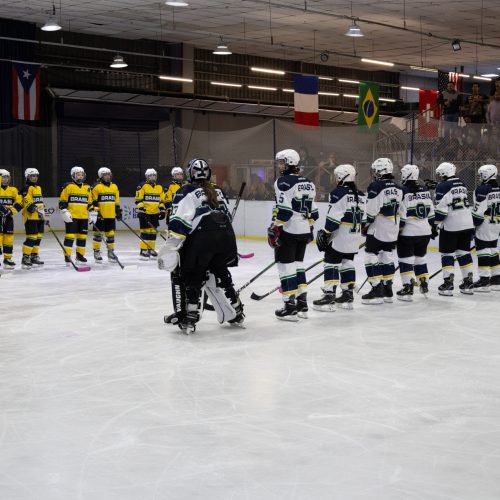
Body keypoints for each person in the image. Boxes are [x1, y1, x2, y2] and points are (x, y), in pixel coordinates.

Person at [158, 158, 244, 334]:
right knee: (221, 273)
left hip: (202, 240)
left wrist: (172, 244)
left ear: (191, 173)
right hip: (226, 238)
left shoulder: (186, 191)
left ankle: (190, 317)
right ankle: (238, 311)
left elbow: (178, 221)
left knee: (193, 276)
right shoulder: (217, 190)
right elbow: (225, 214)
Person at [267, 149, 318, 320]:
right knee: (298, 265)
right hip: (303, 229)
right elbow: (314, 212)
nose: (279, 165)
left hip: (289, 230)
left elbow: (285, 211)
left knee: (286, 267)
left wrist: (275, 228)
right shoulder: (309, 182)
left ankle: (290, 306)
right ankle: (302, 303)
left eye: (281, 162)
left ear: (289, 162)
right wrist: (310, 227)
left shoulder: (282, 182)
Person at [313, 164, 365, 311]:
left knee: (331, 263)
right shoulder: (361, 194)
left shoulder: (338, 192)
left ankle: (329, 295)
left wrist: (326, 232)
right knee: (347, 262)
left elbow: (333, 218)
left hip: (340, 236)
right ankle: (347, 295)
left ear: (342, 177)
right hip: (354, 237)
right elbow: (365, 219)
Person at [361, 158, 403, 305]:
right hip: (393, 227)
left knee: (370, 256)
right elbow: (402, 210)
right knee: (387, 256)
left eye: (375, 170)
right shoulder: (399, 187)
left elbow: (371, 211)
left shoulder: (376, 186)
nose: (374, 173)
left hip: (378, 228)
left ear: (380, 171)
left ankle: (376, 289)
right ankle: (387, 289)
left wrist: (364, 225)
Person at [433, 162, 474, 295]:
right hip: (467, 224)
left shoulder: (442, 186)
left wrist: (433, 224)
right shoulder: (461, 183)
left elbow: (441, 212)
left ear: (445, 173)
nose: (439, 176)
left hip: (451, 226)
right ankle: (468, 283)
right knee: (463, 253)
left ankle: (448, 284)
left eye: (440, 174)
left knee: (447, 254)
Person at [396, 164, 436, 300]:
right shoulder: (425, 189)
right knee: (420, 259)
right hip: (425, 232)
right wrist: (431, 227)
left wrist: (397, 232)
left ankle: (407, 288)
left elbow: (401, 216)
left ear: (406, 175)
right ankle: (424, 283)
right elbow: (431, 213)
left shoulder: (402, 191)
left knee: (405, 260)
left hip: (408, 232)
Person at [471, 164, 500, 291]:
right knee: (493, 248)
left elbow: (478, 211)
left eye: (481, 174)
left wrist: (473, 225)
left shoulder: (482, 189)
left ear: (487, 175)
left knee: (482, 249)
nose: (480, 177)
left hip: (485, 223)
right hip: (497, 223)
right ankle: (496, 278)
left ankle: (484, 280)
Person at [59, 166, 96, 265]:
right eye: (78, 174)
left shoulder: (87, 187)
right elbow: (62, 201)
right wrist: (64, 211)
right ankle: (67, 256)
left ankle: (80, 255)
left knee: (82, 237)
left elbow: (89, 203)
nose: (80, 176)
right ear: (73, 176)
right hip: (72, 217)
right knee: (70, 236)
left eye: (82, 174)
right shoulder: (68, 186)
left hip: (83, 217)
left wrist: (92, 213)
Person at [91, 167, 121, 263]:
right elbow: (93, 201)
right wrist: (97, 212)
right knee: (98, 235)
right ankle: (96, 252)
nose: (108, 176)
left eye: (109, 174)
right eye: (105, 175)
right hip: (100, 216)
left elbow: (116, 201)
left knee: (111, 235)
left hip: (111, 215)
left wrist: (118, 211)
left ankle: (111, 253)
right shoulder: (96, 187)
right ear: (101, 176)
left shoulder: (114, 186)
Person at [135, 168, 165, 260]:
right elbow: (138, 200)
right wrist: (142, 210)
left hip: (155, 214)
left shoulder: (159, 187)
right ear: (147, 177)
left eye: (154, 175)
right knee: (145, 232)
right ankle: (143, 250)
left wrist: (162, 210)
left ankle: (151, 249)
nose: (153, 177)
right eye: (151, 176)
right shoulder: (142, 186)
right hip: (145, 213)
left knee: (153, 232)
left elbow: (161, 201)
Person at [20, 168, 46, 269]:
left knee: (38, 237)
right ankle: (25, 257)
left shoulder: (38, 188)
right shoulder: (26, 188)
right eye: (32, 176)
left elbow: (40, 201)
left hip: (39, 217)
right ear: (27, 177)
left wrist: (44, 212)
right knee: (32, 237)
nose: (34, 178)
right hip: (30, 217)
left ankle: (34, 255)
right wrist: (34, 208)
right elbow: (27, 201)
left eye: (36, 176)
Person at [0, 169, 23, 268]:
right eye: (3, 177)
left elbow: (20, 202)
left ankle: (7, 258)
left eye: (7, 177)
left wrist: (11, 211)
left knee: (8, 238)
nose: (5, 179)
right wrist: (2, 210)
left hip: (8, 217)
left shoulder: (13, 190)